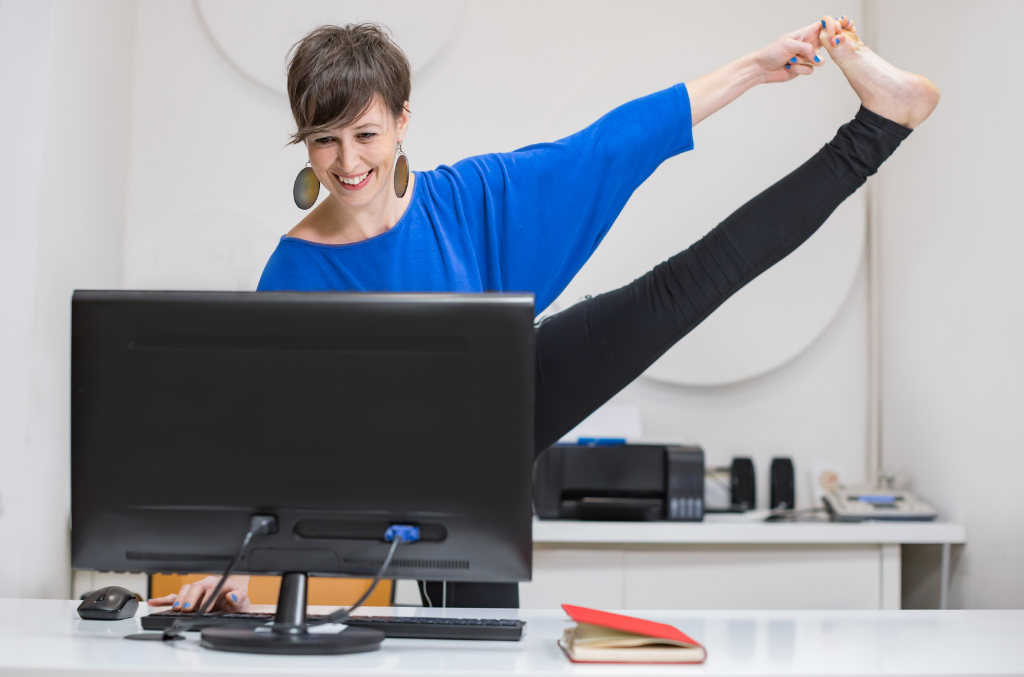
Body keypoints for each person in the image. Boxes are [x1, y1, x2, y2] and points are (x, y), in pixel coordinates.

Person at [149, 15, 939, 613]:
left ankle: (878, 129)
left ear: (402, 123)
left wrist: (756, 69)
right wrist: (228, 577)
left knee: (692, 282)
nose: (348, 163)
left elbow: (611, 145)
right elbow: (263, 447)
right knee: (475, 635)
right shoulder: (293, 271)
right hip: (414, 481)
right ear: (305, 142)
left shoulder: (466, 198)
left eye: (365, 133)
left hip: (504, 406)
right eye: (325, 140)